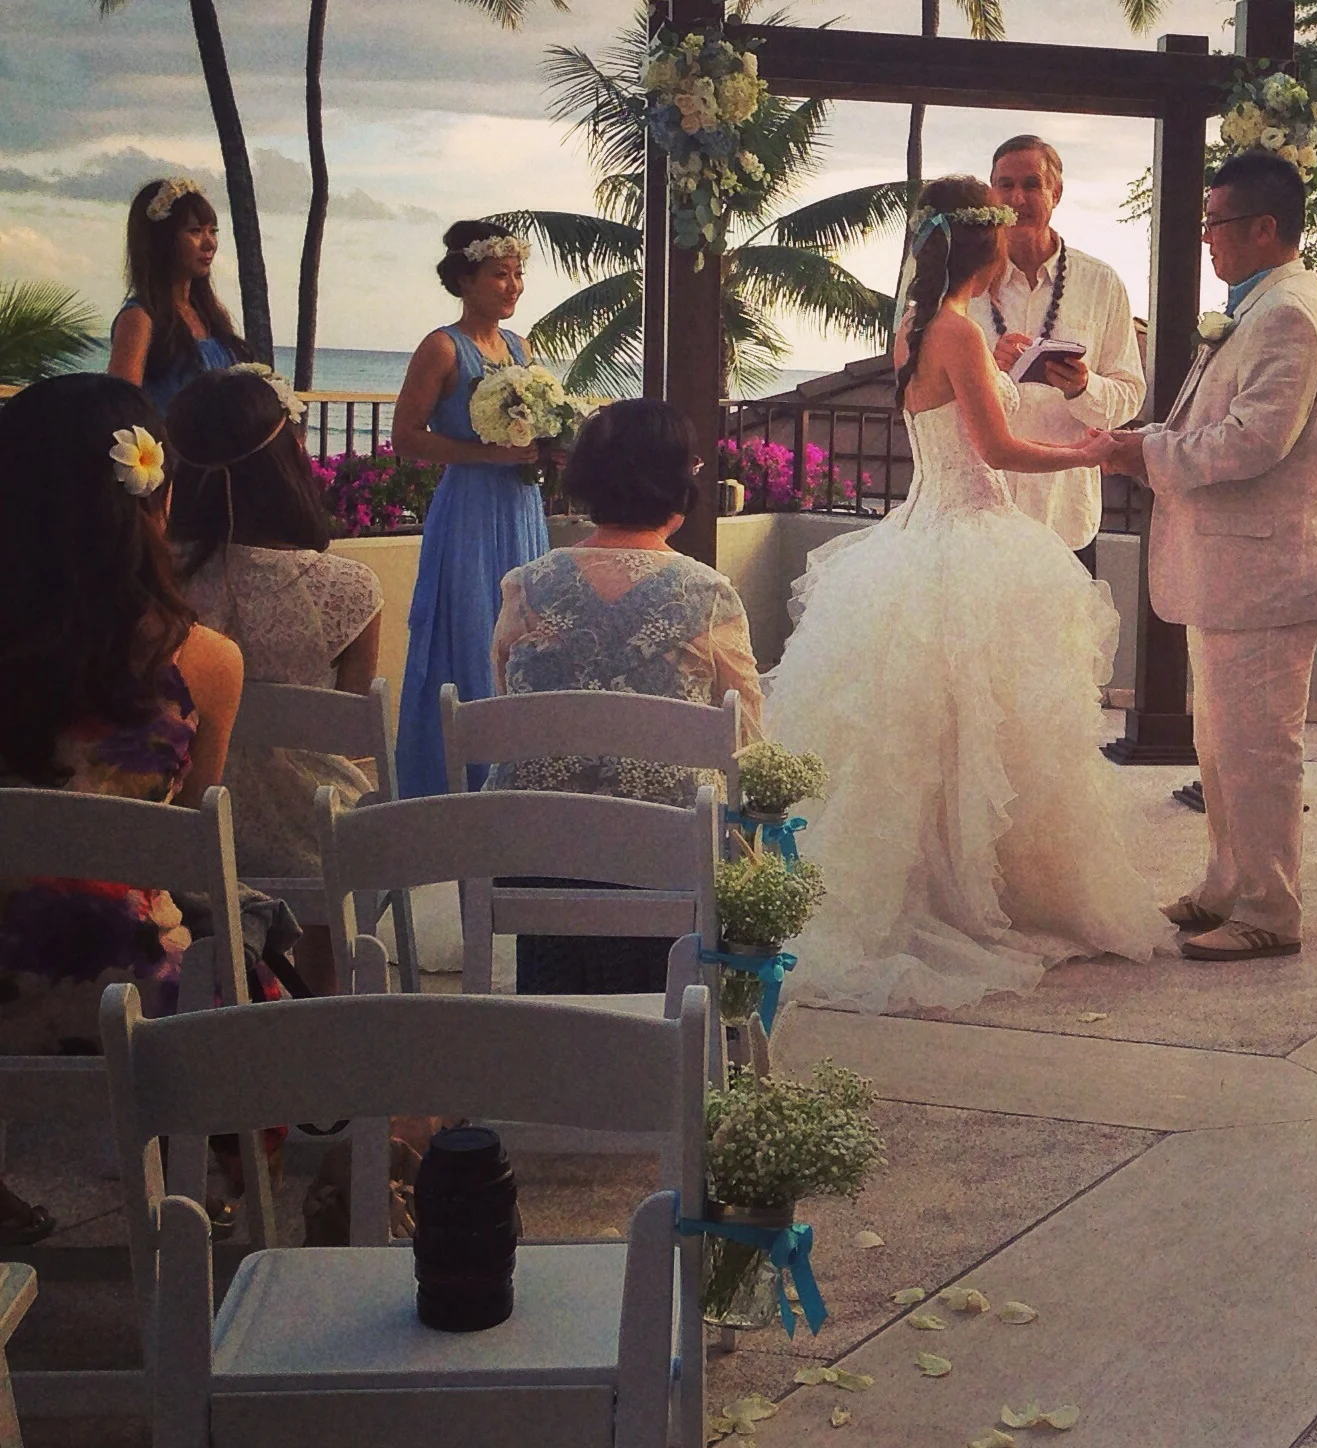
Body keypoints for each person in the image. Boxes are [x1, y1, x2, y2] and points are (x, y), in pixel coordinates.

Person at [762, 177, 1157, 1012]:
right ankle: (977, 896)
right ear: (990, 248)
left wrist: (1006, 365)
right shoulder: (960, 335)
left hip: (917, 532)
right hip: (973, 531)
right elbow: (1001, 452)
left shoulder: (915, 327)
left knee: (923, 730)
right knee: (980, 726)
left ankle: (924, 877)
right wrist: (1091, 454)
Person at [0, 374, 244, 1245]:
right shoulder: (204, 665)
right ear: (158, 495)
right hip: (134, 994)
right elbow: (188, 849)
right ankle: (210, 1192)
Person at [1101, 150, 1317, 960]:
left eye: (1217, 223)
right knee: (1219, 744)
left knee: (1261, 750)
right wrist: (1154, 439)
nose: (1206, 238)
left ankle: (1271, 910)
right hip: (1231, 575)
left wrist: (1152, 456)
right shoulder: (1256, 306)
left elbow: (1255, 441)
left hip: (1266, 576)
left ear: (1265, 228)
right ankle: (1224, 882)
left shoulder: (1287, 313)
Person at [490, 400, 764, 995]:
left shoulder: (525, 586)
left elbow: (508, 713)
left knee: (559, 1020)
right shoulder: (709, 594)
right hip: (664, 861)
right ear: (678, 481)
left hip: (541, 858)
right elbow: (746, 738)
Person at [166, 369, 383, 990]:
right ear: (287, 458)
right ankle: (323, 1013)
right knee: (332, 802)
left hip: (181, 823)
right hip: (311, 833)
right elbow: (348, 735)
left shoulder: (148, 581)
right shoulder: (349, 589)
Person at [391, 222, 551, 797]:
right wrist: (483, 453)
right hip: (470, 509)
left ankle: (519, 768)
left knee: (525, 630)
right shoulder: (440, 347)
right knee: (473, 627)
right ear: (465, 279)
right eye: (499, 274)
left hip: (520, 501)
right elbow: (405, 437)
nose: (512, 286)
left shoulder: (517, 347)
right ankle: (461, 776)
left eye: (517, 274)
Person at [965, 134, 1146, 562]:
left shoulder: (1100, 284)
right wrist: (986, 370)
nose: (1017, 197)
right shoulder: (966, 284)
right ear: (990, 193)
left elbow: (1130, 396)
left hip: (1064, 517)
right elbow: (929, 390)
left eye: (1031, 184)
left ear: (1056, 193)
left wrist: (1083, 387)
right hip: (980, 510)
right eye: (1004, 185)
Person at [107, 176, 247, 415]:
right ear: (162, 240)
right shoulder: (139, 318)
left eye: (213, 231)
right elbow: (121, 410)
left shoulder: (209, 314)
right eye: (195, 231)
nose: (209, 243)